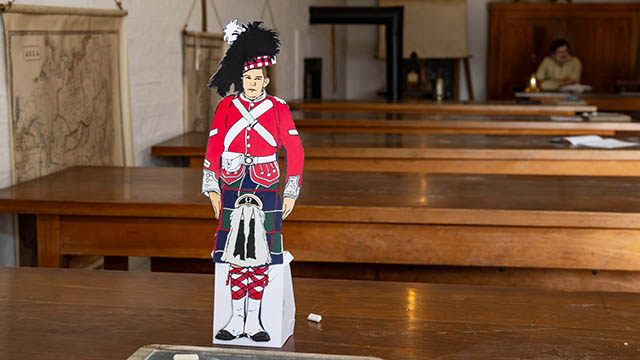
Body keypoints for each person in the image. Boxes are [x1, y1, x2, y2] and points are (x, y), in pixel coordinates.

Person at [202, 19, 304, 342]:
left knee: (260, 260)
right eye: (247, 78)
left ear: (266, 79)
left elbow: (295, 151)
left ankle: (257, 323)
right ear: (241, 78)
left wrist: (290, 191)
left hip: (265, 188)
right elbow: (214, 146)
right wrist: (212, 187)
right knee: (234, 258)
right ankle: (234, 321)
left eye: (257, 78)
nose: (252, 83)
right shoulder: (225, 108)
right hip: (232, 185)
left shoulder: (278, 109)